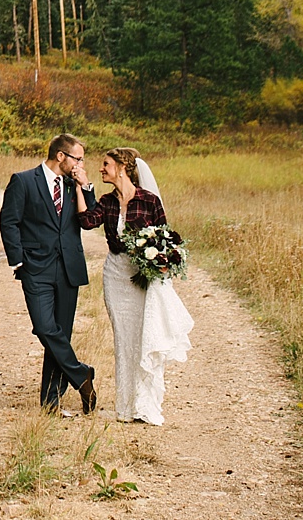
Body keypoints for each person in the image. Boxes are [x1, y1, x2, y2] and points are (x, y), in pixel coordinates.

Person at [71, 147, 194, 424]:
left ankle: (146, 405)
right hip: (115, 276)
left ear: (122, 167)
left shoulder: (149, 201)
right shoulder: (106, 201)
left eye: (106, 164)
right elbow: (87, 221)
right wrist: (80, 187)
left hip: (143, 279)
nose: (102, 168)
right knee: (123, 340)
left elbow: (167, 237)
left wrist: (162, 262)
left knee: (144, 337)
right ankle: (125, 407)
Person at [0, 133, 97, 415]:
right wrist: (18, 261)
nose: (81, 164)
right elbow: (9, 222)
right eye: (78, 159)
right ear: (61, 156)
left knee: (61, 334)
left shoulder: (72, 185)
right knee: (44, 328)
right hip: (36, 269)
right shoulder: (23, 181)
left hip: (69, 269)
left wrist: (85, 185)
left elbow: (89, 220)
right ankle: (82, 375)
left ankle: (51, 404)